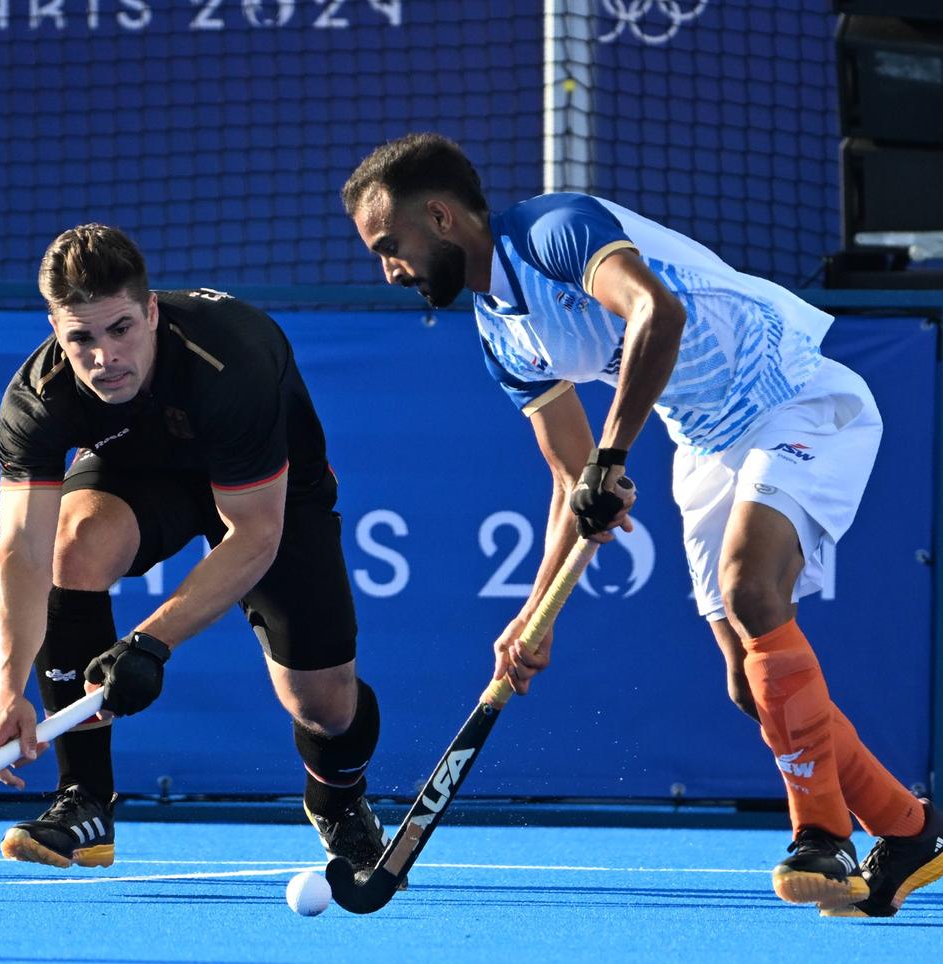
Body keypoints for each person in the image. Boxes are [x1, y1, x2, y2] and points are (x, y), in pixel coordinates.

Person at [341, 132, 943, 919]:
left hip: (793, 393)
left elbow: (659, 310)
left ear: (443, 217)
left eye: (392, 246)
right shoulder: (499, 333)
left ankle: (820, 835)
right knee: (749, 683)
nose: (390, 269)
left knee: (752, 589)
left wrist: (613, 455)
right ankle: (909, 830)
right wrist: (533, 616)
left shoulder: (554, 231)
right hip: (705, 442)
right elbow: (570, 473)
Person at [0, 224, 388, 878]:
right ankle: (84, 800)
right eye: (80, 337)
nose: (104, 357)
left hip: (272, 492)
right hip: (139, 472)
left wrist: (148, 643)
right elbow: (20, 551)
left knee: (324, 706)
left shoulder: (232, 360)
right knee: (70, 544)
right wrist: (5, 693)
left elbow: (255, 534)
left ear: (151, 311)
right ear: (54, 328)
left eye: (121, 330)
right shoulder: (36, 399)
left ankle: (337, 799)